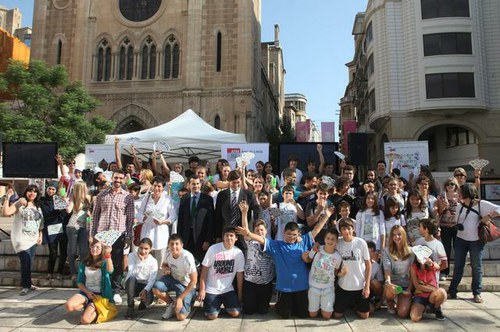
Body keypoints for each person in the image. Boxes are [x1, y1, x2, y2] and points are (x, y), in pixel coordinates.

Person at [238, 205, 333, 319]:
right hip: (284, 288)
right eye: (289, 234)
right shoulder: (276, 245)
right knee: (285, 315)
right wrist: (248, 233)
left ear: (298, 234)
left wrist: (326, 215)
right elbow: (262, 240)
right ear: (284, 233)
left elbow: (316, 230)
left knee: (303, 315)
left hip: (301, 287)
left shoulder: (303, 242)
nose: (291, 237)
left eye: (294, 235)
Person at [448, 183, 500, 303]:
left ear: (467, 192)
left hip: (476, 241)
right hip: (461, 239)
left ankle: (477, 292)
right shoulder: (459, 206)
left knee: (476, 267)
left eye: (460, 191)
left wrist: (489, 216)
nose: (458, 194)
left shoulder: (481, 204)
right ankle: (452, 291)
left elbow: (499, 208)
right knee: (458, 266)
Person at [90, 169, 135, 304]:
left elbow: (130, 219)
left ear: (124, 180)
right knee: (99, 261)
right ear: (112, 178)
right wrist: (92, 235)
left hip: (118, 235)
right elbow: (95, 215)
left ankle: (116, 290)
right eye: (116, 178)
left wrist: (129, 236)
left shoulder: (128, 197)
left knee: (116, 263)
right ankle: (101, 289)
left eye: (121, 178)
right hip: (102, 234)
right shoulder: (101, 195)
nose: (118, 180)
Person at [2, 185, 44, 296]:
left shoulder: (37, 206)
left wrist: (40, 235)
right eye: (30, 191)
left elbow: (40, 223)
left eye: (35, 192)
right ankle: (25, 286)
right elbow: (6, 213)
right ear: (26, 192)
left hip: (33, 239)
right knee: (25, 262)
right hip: (21, 239)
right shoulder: (20, 203)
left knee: (29, 263)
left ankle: (28, 284)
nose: (32, 193)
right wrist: (7, 197)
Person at [198, 226, 245, 320]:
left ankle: (224, 305)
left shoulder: (238, 253)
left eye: (232, 235)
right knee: (212, 316)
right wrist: (202, 289)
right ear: (223, 238)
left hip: (227, 289)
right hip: (212, 289)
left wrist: (240, 296)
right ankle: (213, 306)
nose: (229, 238)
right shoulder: (213, 249)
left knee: (236, 313)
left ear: (236, 238)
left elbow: (240, 275)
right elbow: (204, 269)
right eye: (226, 235)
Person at [64, 239, 114, 325]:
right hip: (86, 293)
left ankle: (97, 309)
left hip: (100, 296)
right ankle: (87, 305)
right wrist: (87, 292)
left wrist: (108, 255)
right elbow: (79, 282)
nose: (94, 249)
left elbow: (110, 271)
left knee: (85, 320)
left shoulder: (105, 262)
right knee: (69, 306)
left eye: (97, 247)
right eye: (92, 247)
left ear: (102, 249)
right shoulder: (84, 263)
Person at [239, 202, 274, 314]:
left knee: (263, 312)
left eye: (262, 230)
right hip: (250, 282)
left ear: (266, 231)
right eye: (257, 230)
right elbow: (245, 230)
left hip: (265, 283)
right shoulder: (250, 241)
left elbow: (248, 232)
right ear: (254, 231)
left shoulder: (271, 243)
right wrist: (244, 213)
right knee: (249, 311)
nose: (260, 232)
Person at [152, 234, 198, 320]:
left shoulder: (187, 257)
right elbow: (164, 264)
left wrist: (180, 298)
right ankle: (171, 304)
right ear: (168, 245)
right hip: (173, 279)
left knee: (181, 317)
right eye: (172, 244)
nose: (174, 247)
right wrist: (165, 268)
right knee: (156, 287)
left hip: (186, 285)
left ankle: (192, 296)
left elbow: (194, 280)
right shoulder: (168, 253)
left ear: (182, 245)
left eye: (177, 244)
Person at [334, 217, 372, 320]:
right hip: (344, 286)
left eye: (349, 228)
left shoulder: (361, 242)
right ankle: (349, 303)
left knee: (364, 316)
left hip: (359, 286)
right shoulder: (338, 243)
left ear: (353, 228)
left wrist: (367, 286)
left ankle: (356, 305)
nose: (346, 231)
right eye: (343, 229)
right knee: (337, 315)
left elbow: (368, 264)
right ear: (340, 231)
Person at [302, 228, 344, 319]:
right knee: (312, 315)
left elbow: (336, 272)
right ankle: (318, 306)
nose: (330, 241)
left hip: (328, 288)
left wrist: (341, 273)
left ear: (336, 241)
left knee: (327, 316)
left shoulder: (337, 257)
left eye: (333, 239)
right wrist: (305, 256)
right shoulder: (317, 249)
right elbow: (308, 259)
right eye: (328, 238)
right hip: (314, 286)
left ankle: (324, 306)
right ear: (324, 239)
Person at [137, 176, 177, 266]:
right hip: (147, 231)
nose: (156, 188)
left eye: (159, 186)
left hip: (160, 233)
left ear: (163, 188)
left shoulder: (167, 199)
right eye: (155, 186)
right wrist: (144, 218)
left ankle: (159, 279)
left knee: (160, 261)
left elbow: (173, 216)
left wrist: (163, 222)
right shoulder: (147, 198)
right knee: (146, 260)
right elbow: (139, 214)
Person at [215, 170, 262, 247]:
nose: (236, 185)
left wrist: (257, 225)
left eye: (238, 182)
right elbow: (217, 216)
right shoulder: (222, 195)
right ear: (229, 181)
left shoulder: (248, 194)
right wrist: (217, 236)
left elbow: (258, 209)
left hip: (243, 236)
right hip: (227, 235)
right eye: (234, 182)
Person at [177, 175, 215, 263]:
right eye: (193, 184)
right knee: (187, 263)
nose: (196, 186)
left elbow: (211, 221)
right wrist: (179, 240)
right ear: (189, 185)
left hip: (201, 238)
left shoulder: (208, 199)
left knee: (201, 263)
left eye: (198, 184)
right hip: (187, 238)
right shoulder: (184, 199)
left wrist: (208, 240)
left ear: (200, 185)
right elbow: (180, 221)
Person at [382, 225, 413, 317]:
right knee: (389, 288)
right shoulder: (387, 251)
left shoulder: (411, 252)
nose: (397, 237)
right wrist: (388, 282)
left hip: (406, 285)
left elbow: (413, 273)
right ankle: (390, 301)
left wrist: (409, 289)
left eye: (399, 234)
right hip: (394, 284)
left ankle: (405, 301)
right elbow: (387, 269)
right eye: (394, 235)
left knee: (402, 313)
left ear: (404, 235)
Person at [40, 181, 68, 280]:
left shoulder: (59, 199)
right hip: (50, 228)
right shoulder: (42, 200)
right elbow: (44, 213)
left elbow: (65, 213)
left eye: (53, 189)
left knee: (63, 252)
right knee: (53, 252)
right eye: (49, 189)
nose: (51, 191)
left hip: (62, 227)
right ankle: (50, 272)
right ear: (46, 189)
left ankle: (59, 272)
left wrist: (63, 204)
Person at [124, 237, 158, 319]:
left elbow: (152, 280)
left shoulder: (153, 261)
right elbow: (131, 273)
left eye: (146, 249)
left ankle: (143, 302)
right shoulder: (132, 255)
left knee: (148, 301)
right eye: (141, 248)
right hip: (132, 284)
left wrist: (145, 290)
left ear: (150, 249)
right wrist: (141, 262)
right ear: (138, 247)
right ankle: (130, 306)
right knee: (132, 279)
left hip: (145, 284)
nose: (143, 251)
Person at [66, 181, 91, 282]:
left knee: (84, 251)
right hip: (73, 226)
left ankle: (83, 272)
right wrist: (66, 203)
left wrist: (90, 213)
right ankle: (73, 273)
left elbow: (91, 210)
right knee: (71, 251)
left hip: (84, 226)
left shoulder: (88, 198)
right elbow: (68, 210)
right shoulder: (73, 197)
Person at [435, 177, 460, 281]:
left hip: (457, 226)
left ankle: (457, 272)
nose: (450, 186)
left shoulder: (460, 196)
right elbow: (438, 212)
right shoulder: (441, 196)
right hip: (445, 226)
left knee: (458, 249)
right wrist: (444, 207)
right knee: (446, 249)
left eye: (452, 184)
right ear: (445, 185)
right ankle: (445, 272)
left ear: (456, 186)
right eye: (448, 184)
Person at [409, 254, 447, 322]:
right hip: (420, 295)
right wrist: (433, 289)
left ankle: (437, 308)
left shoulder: (432, 264)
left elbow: (438, 267)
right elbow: (416, 285)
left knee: (442, 292)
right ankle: (425, 308)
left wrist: (430, 263)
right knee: (414, 318)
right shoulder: (413, 267)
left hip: (432, 295)